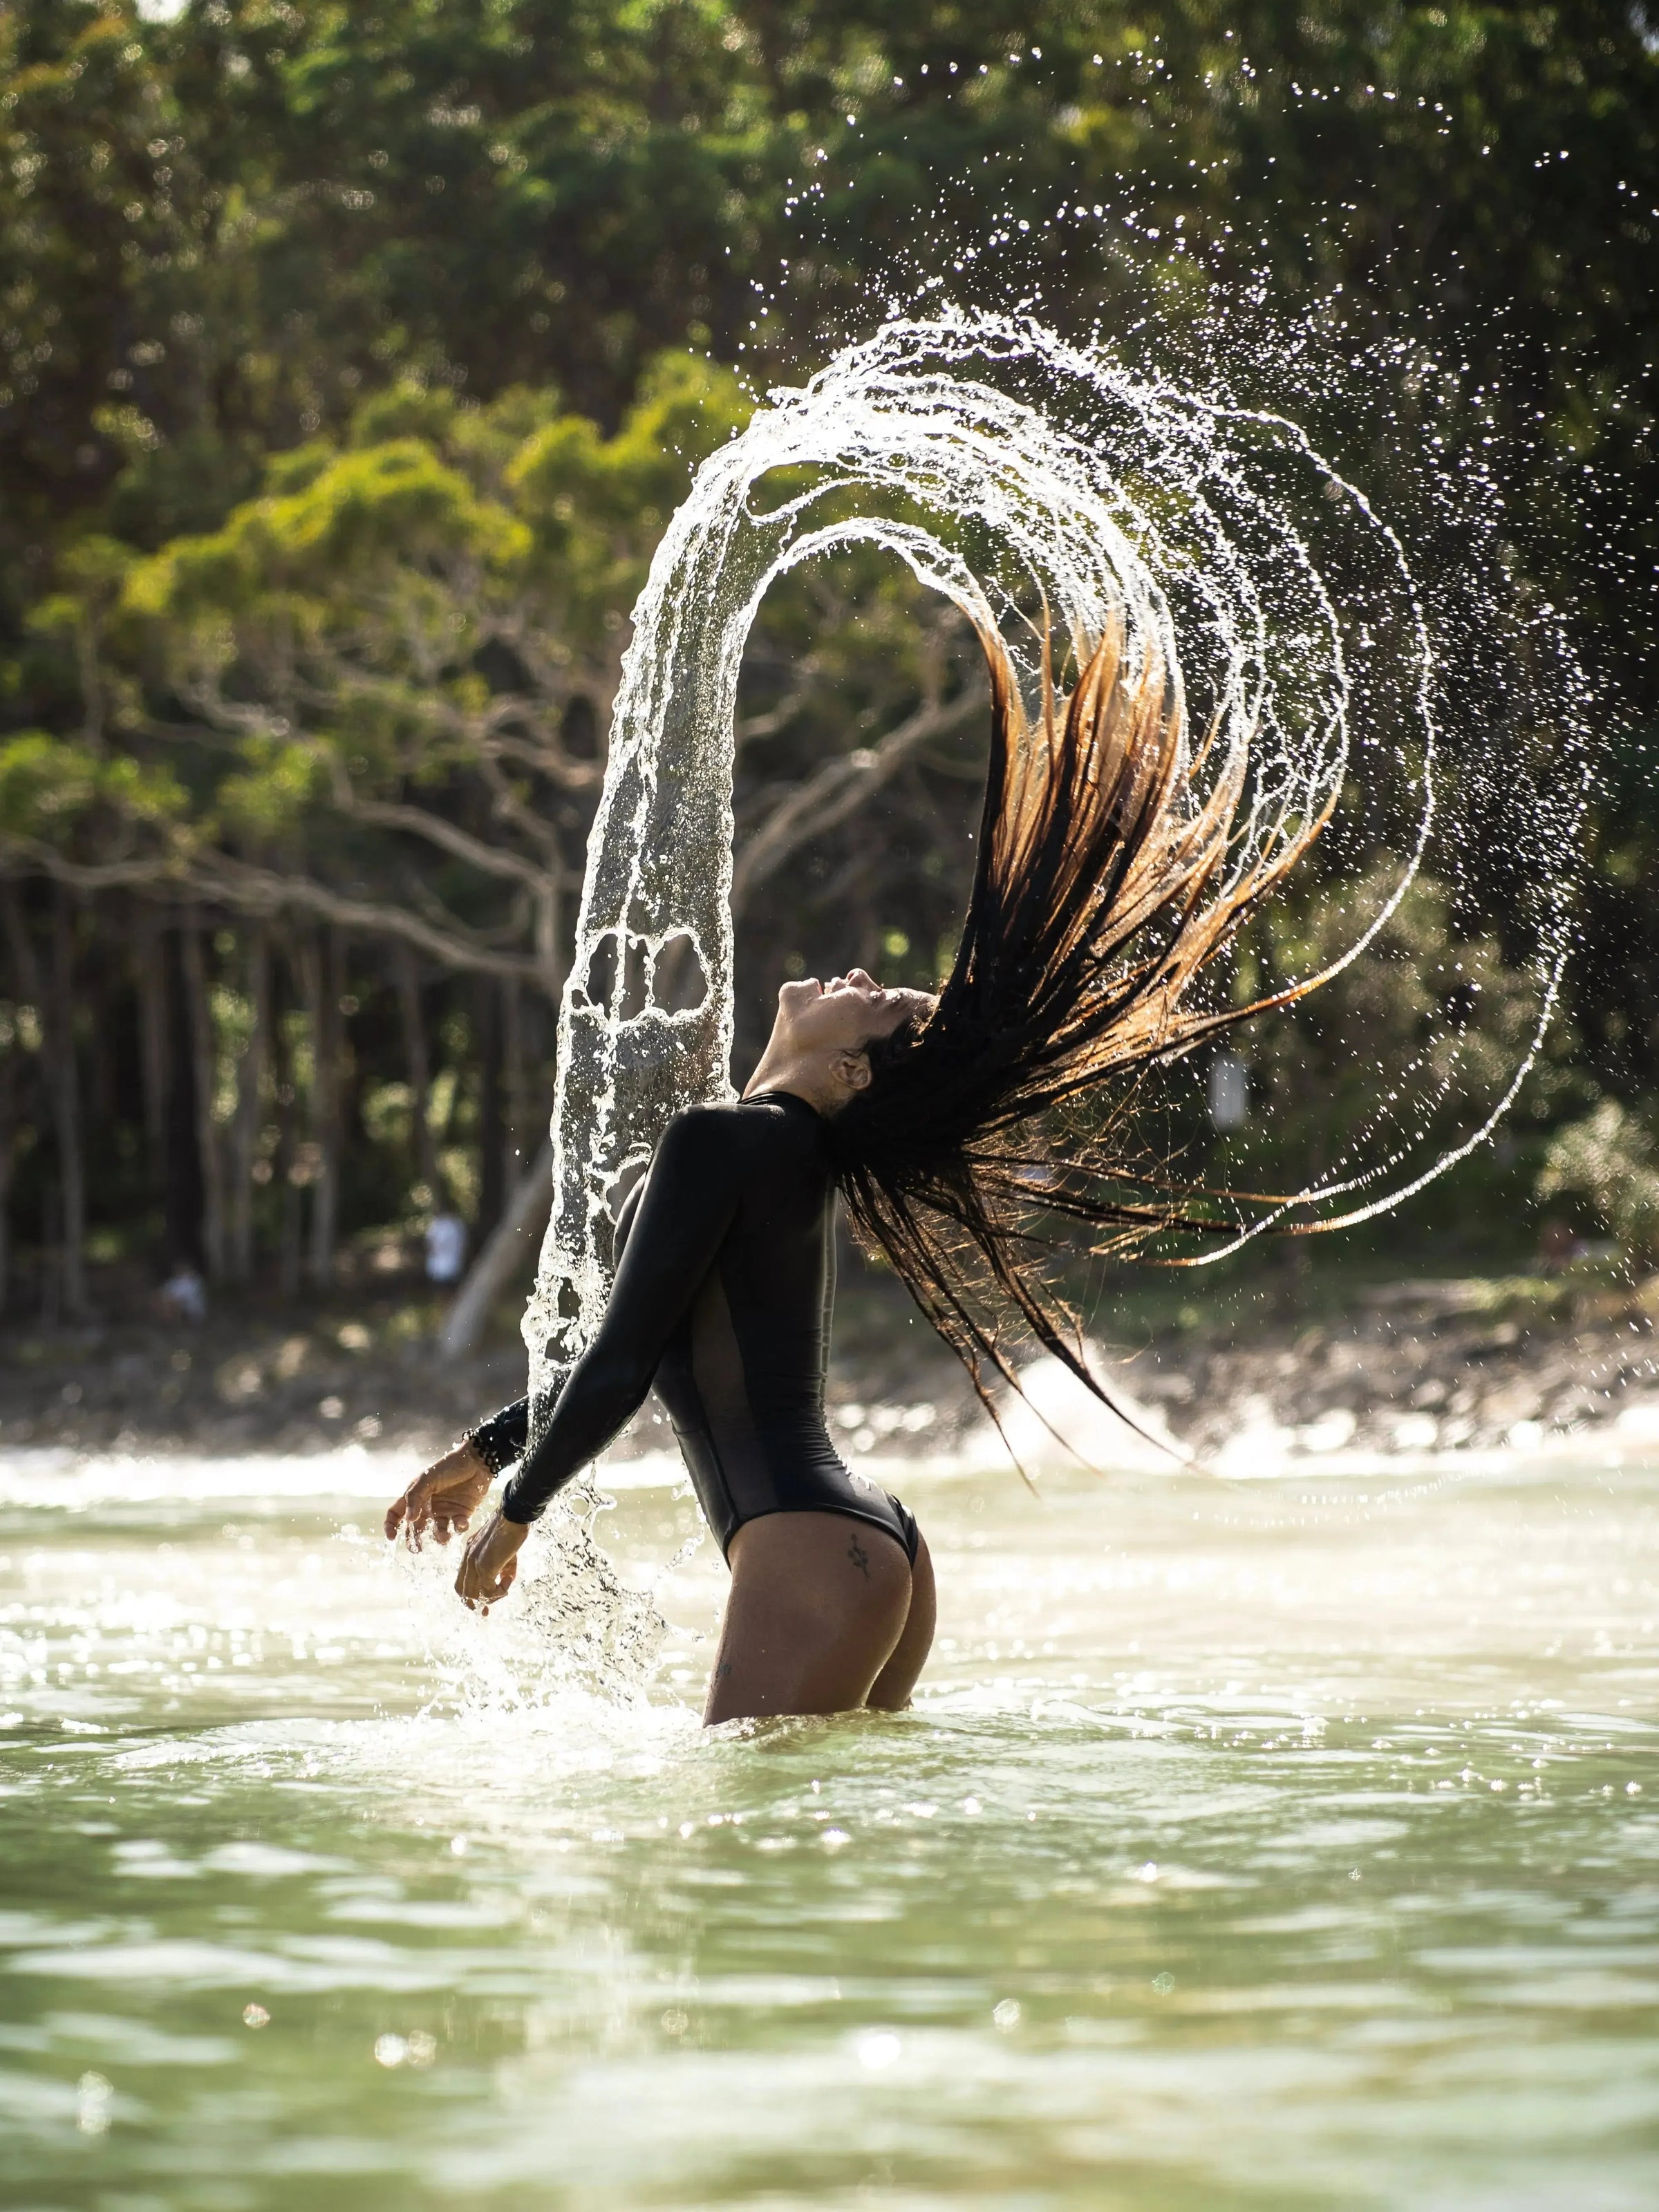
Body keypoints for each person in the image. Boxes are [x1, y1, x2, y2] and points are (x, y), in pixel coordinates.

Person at [386, 611, 1333, 1723]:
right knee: (812, 1861)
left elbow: (627, 1357)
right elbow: (636, 1350)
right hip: (864, 1542)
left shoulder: (730, 1142)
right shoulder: (776, 1155)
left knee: (753, 1861)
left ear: (852, 1072)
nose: (853, 974)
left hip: (809, 1550)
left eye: (874, 1001)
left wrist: (516, 1509)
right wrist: (483, 1451)